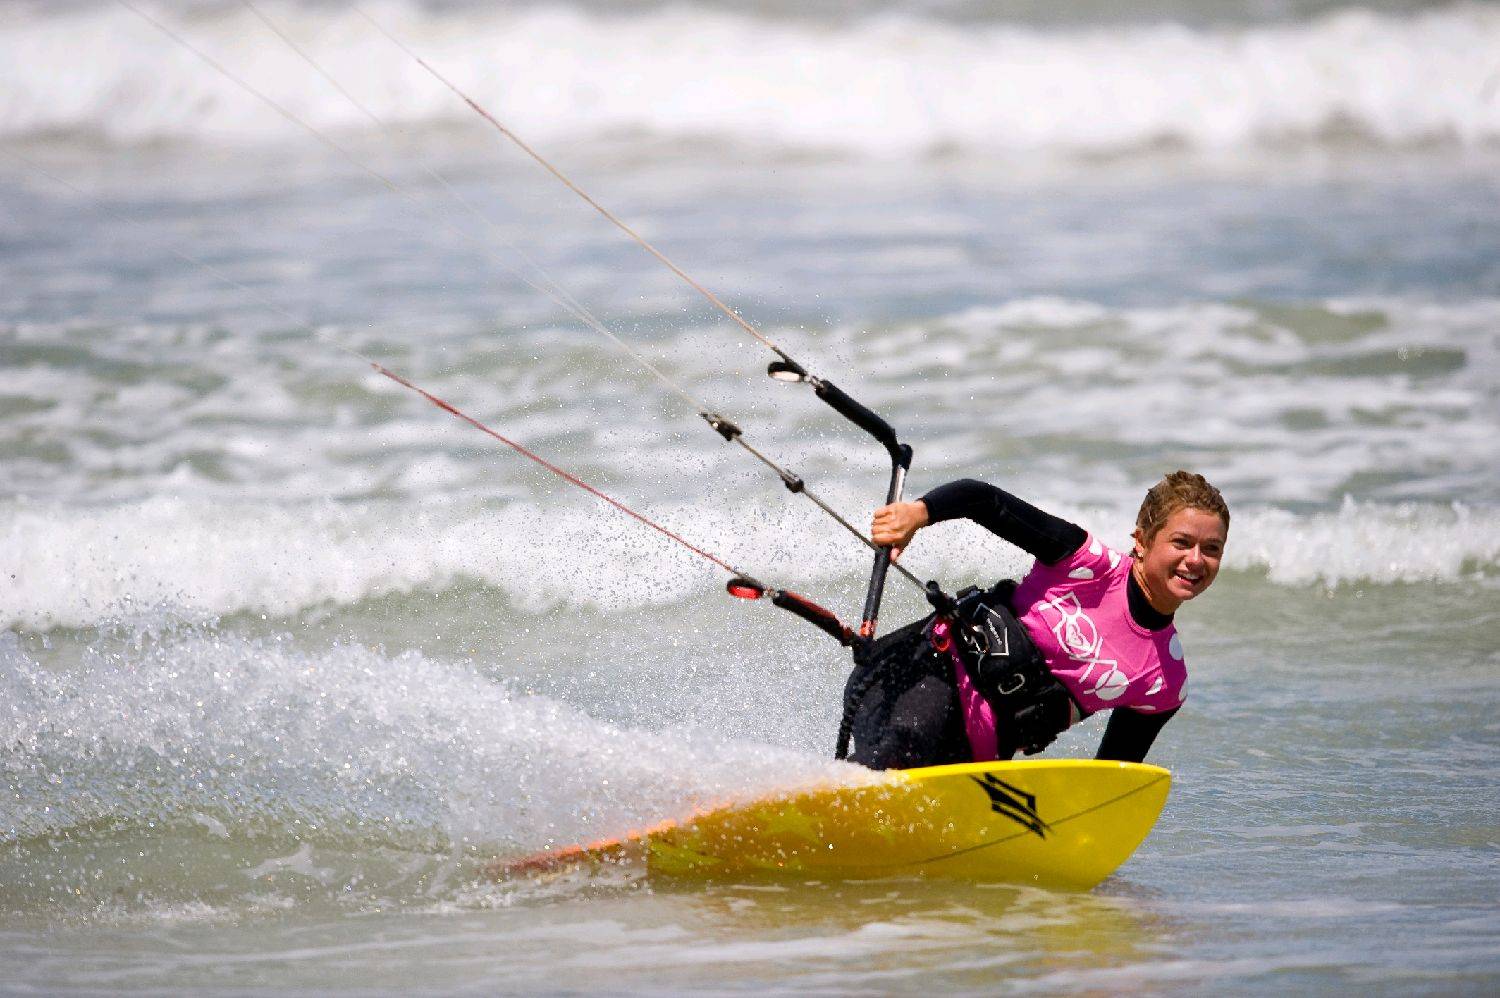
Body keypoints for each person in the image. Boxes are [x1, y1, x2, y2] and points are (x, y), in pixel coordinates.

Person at [838, 471, 1229, 769]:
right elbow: (983, 500)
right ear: (1142, 541)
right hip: (917, 674)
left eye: (1211, 549)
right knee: (900, 756)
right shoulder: (1086, 563)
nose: (1196, 560)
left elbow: (1112, 775)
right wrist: (917, 514)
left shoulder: (1164, 681)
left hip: (976, 756)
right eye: (1181, 543)